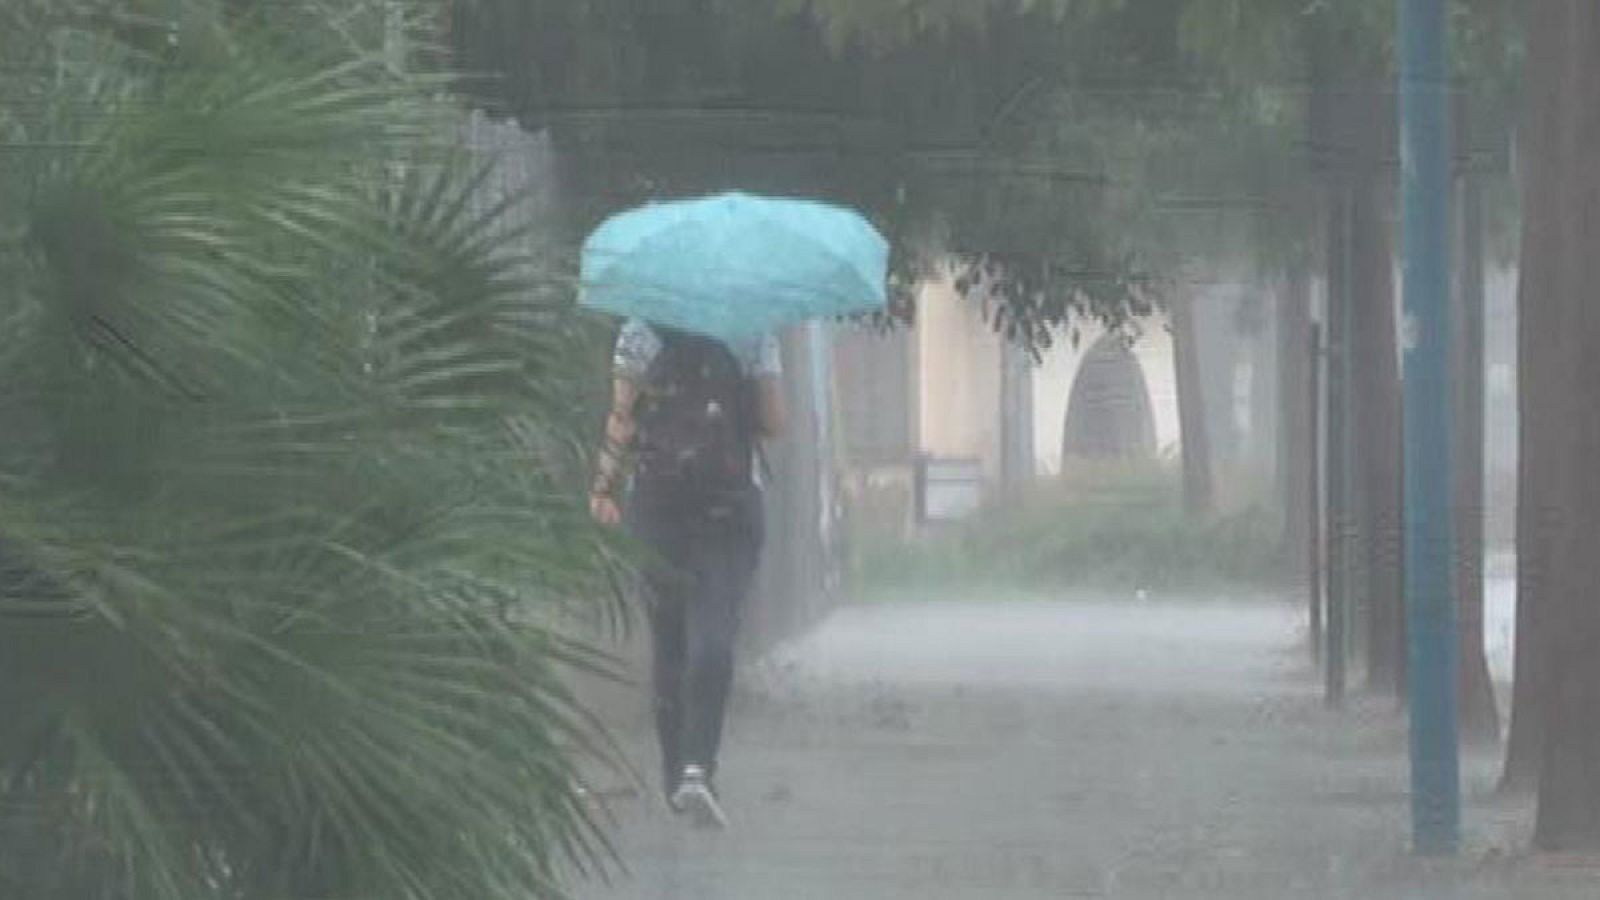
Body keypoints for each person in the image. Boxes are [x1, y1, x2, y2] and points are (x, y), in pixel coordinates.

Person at [589, 318, 785, 829]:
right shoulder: (753, 327)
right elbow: (774, 421)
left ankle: (676, 774)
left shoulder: (638, 331)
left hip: (658, 508)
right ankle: (701, 766)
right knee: (714, 636)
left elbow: (621, 420)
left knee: (668, 643)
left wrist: (603, 487)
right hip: (729, 510)